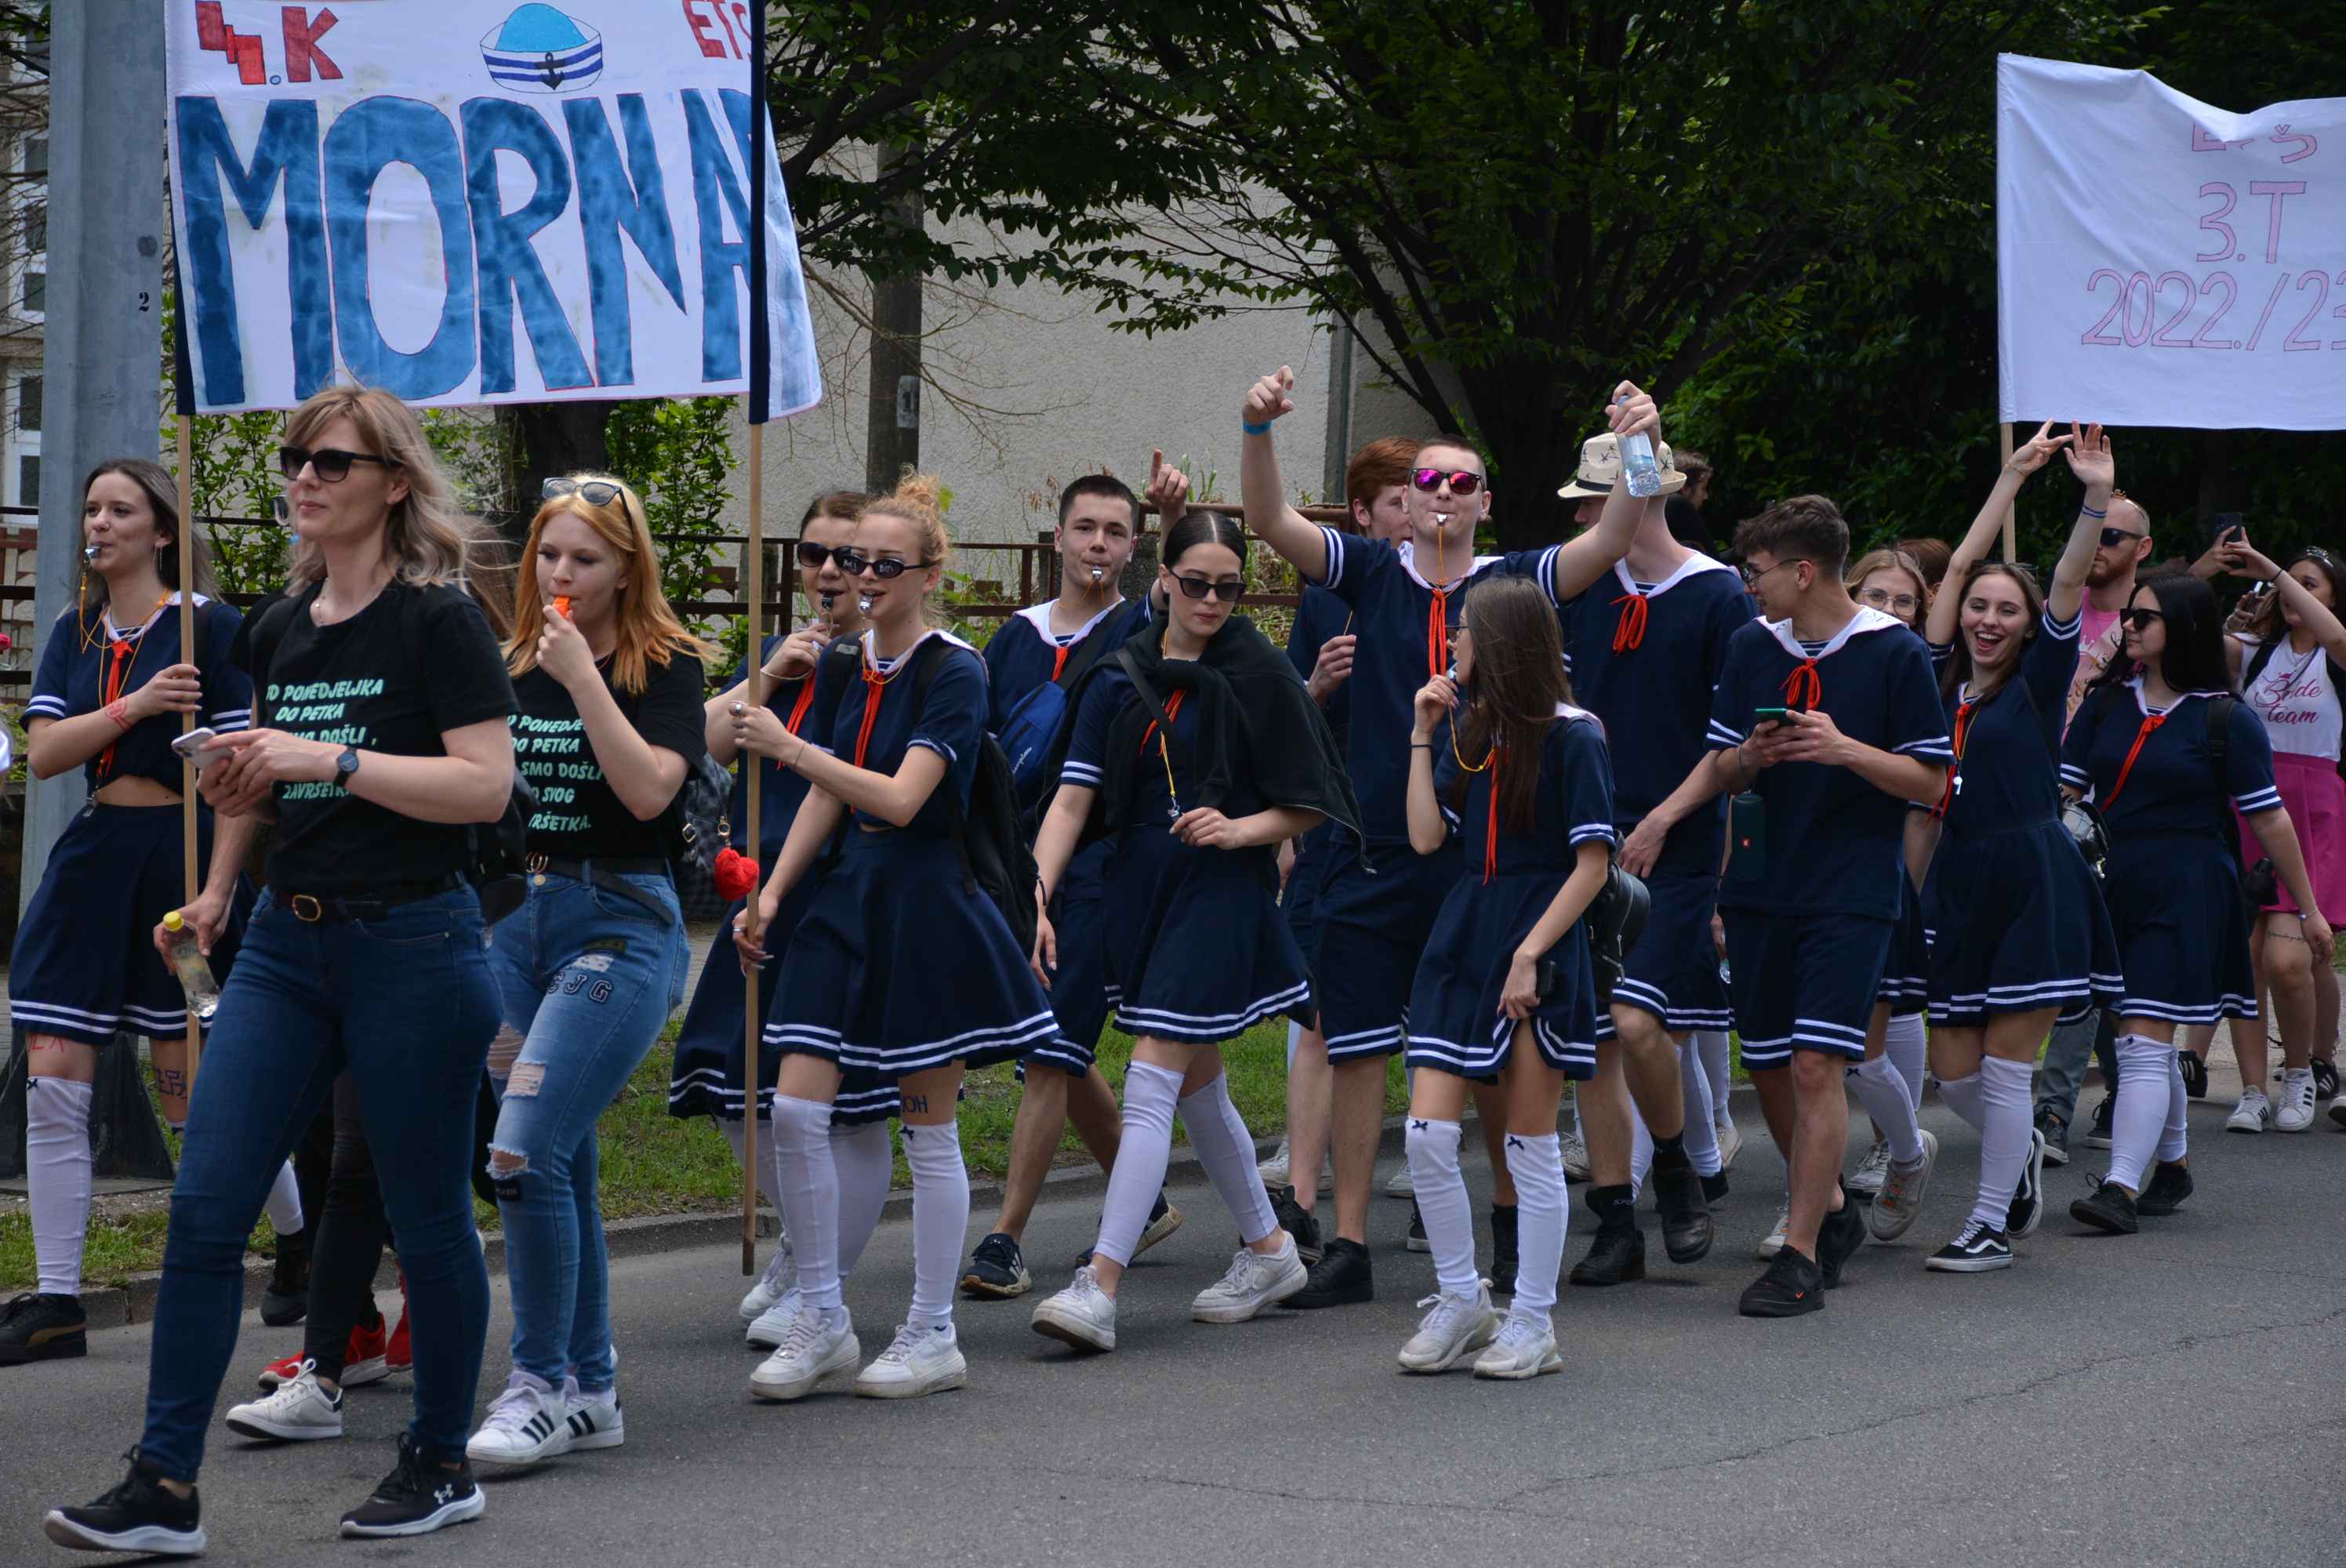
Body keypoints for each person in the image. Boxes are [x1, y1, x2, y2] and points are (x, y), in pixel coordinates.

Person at [42, 385, 517, 1553]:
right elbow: (269, 780)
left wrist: (334, 757)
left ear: (393, 483)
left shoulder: (435, 621)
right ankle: (163, 1485)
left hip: (416, 941)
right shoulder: (279, 626)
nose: (304, 477)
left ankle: (441, 1460)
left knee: (425, 1217)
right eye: (295, 458)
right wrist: (223, 866)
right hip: (285, 947)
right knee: (205, 1213)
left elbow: (485, 788)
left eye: (332, 462)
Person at [1235, 365, 1645, 1309]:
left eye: (1464, 482)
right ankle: (1346, 1243)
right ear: (1405, 502)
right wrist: (1256, 431)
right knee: (1354, 1047)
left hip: (1482, 864)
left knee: (1496, 1053)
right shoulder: (1370, 568)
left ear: (1486, 502)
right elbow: (1269, 522)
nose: (1446, 494)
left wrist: (1635, 442)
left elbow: (1615, 534)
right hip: (1372, 849)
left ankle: (1507, 1235)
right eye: (1430, 481)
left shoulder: (1515, 582)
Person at [730, 475, 1055, 1402]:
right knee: (795, 1110)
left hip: (923, 904)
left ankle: (931, 1329)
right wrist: (773, 892)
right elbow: (831, 793)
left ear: (927, 571)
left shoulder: (956, 669)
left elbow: (904, 796)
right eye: (845, 560)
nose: (857, 576)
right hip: (843, 897)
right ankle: (823, 1315)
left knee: (928, 1128)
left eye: (880, 563)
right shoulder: (842, 665)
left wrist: (786, 746)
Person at [1025, 510, 1354, 1352]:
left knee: (1151, 1074)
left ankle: (1099, 1280)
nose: (1211, 599)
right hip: (1139, 891)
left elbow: (1311, 798)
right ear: (1162, 578)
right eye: (1195, 581)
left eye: (1228, 586)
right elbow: (1071, 797)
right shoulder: (1115, 674)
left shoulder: (1261, 672)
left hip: (1221, 890)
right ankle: (1271, 1247)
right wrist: (1037, 888)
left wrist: (1240, 830)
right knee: (1200, 1080)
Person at [457, 475, 708, 1467]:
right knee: (558, 1157)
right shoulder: (506, 661)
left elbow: (650, 793)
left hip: (620, 921)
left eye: (586, 559)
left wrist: (585, 681)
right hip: (515, 924)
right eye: (549, 555)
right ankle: (591, 1385)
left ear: (626, 569)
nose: (562, 574)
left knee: (517, 1152)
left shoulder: (667, 662)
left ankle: (537, 1385)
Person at [2, 459, 267, 1368]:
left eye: (122, 508)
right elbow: (42, 754)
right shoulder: (76, 629)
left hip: (180, 865)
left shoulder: (212, 625)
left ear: (161, 530)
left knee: (193, 1078)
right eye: (91, 508)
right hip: (91, 863)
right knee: (53, 1068)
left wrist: (220, 890)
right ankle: (57, 1298)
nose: (99, 521)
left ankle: (298, 1240)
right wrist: (136, 703)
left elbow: (239, 778)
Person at [1669, 495, 1952, 1316]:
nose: (1746, 587)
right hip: (1758, 884)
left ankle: (1797, 1255)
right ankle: (1828, 1209)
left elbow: (1931, 782)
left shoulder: (1894, 652)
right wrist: (1747, 757)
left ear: (1802, 571)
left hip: (1851, 888)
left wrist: (1843, 748)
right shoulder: (1749, 645)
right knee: (1767, 1062)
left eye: (1755, 573)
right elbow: (1721, 769)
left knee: (1815, 1061)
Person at [1907, 422, 2119, 1271]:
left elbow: (2068, 575)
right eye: (1978, 607)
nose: (1988, 618)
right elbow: (1955, 567)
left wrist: (2093, 494)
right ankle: (2022, 1147)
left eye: (2007, 610)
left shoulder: (2034, 684)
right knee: (1953, 1069)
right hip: (1959, 882)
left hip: (2032, 876)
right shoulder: (1935, 677)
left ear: (2031, 627)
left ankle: (1987, 1223)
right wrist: (2009, 479)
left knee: (1999, 1070)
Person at [2064, 568, 2333, 1235]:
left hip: (2188, 889)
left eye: (2143, 617)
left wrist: (2309, 909)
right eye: (2128, 614)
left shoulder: (2227, 719)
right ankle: (2174, 1165)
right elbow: (2067, 794)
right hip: (2108, 886)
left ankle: (2121, 1188)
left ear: (2181, 630)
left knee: (2144, 1038)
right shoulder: (2104, 704)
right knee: (2139, 1034)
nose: (2128, 624)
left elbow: (2271, 823)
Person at [1394, 575, 1617, 1376]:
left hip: (1539, 937)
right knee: (1426, 1135)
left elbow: (1593, 864)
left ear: (1498, 642)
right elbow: (1426, 838)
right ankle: (1462, 1298)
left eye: (1464, 631)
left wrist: (1531, 951)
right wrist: (1423, 733)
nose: (1453, 643)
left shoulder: (1574, 735)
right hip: (1464, 931)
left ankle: (1533, 1318)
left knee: (1528, 1146)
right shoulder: (1472, 729)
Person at [961, 471, 1175, 1301]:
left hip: (1100, 864)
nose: (1096, 543)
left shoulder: (1141, 628)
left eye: (1115, 531)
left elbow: (1181, 582)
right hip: (1014, 866)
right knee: (1049, 1036)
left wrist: (1170, 512)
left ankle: (1004, 1237)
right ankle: (1141, 1192)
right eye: (1083, 527)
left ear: (1132, 546)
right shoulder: (1008, 642)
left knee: (1051, 1041)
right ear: (1056, 537)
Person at [668, 489, 870, 1339]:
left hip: (843, 895)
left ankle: (820, 1276)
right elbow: (688, 752)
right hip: (757, 896)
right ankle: (804, 1238)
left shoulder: (890, 661)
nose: (827, 571)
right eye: (812, 554)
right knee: (725, 1077)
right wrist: (768, 675)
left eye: (846, 556)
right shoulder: (775, 657)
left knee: (841, 1102)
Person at [1559, 429, 1747, 1285]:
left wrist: (1666, 817)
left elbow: (1733, 736)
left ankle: (1675, 1164)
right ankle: (1616, 1216)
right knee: (1593, 1034)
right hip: (1588, 832)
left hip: (1676, 836)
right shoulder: (1578, 587)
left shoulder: (1717, 593)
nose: (1585, 514)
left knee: (1637, 1018)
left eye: (1594, 498)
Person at [2035, 488, 2158, 1158]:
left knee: (2110, 966)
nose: (2099, 545)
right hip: (2051, 804)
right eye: (2093, 533)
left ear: (2142, 550)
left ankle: (2114, 1094)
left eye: (2115, 537)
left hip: (2127, 818)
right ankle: (2058, 1109)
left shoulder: (2156, 625)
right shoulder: (2052, 615)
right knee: (2082, 961)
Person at [2210, 542, 2345, 1134]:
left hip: (2314, 810)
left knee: (2293, 959)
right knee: (2248, 957)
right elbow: (2187, 643)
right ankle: (2253, 1088)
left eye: (2309, 584)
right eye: (2290, 583)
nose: (2294, 591)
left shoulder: (2338, 654)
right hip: (2251, 804)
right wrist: (2212, 574)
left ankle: (2309, 1069)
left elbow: (2334, 634)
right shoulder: (2254, 653)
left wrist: (2272, 571)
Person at [1832, 549, 1936, 1225]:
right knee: (1831, 1052)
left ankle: (1903, 1152)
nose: (1890, 611)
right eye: (1877, 595)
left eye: (1905, 603)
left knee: (1863, 1046)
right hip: (1808, 868)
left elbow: (1924, 801)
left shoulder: (1912, 670)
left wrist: (1905, 890)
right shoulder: (1816, 658)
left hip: (1881, 874)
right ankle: (1887, 1155)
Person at [1664, 450, 1718, 554]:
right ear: (1685, 488)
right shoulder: (1679, 506)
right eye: (1703, 488)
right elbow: (1714, 560)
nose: (1705, 496)